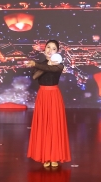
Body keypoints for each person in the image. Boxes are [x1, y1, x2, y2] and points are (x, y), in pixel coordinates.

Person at [26, 39, 71, 167]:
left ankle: (55, 156)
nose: (50, 50)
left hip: (54, 95)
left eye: (54, 49)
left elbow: (51, 69)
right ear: (44, 49)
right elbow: (35, 77)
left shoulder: (59, 65)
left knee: (54, 124)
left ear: (58, 52)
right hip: (43, 96)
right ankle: (45, 156)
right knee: (44, 124)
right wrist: (45, 63)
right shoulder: (40, 64)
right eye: (48, 47)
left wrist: (42, 64)